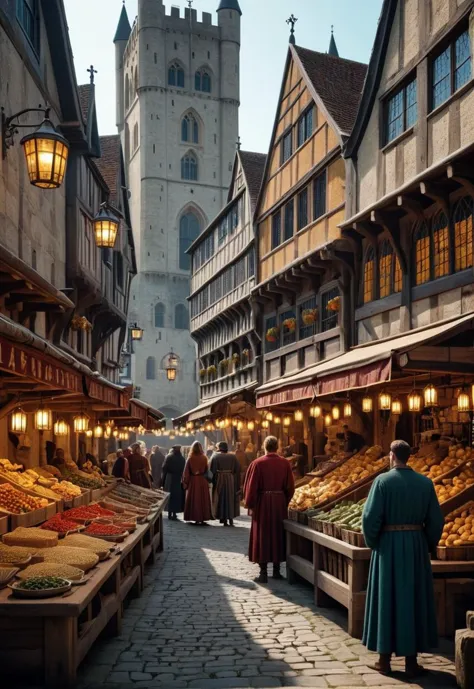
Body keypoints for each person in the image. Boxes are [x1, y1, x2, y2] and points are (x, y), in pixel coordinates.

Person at [362, 439, 444, 678]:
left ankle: (384, 660)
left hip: (388, 546)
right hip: (416, 545)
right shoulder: (425, 483)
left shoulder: (382, 482)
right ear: (409, 457)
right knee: (413, 598)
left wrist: (374, 542)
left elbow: (369, 519)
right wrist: (426, 543)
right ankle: (411, 662)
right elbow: (437, 521)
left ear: (391, 456)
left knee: (386, 598)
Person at [244, 435, 295, 583]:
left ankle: (263, 572)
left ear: (264, 447)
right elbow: (291, 487)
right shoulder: (285, 464)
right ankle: (277, 571)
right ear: (277, 447)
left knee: (263, 535)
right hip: (279, 503)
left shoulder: (257, 463)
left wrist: (250, 504)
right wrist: (284, 500)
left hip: (263, 503)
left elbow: (251, 487)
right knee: (278, 534)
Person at [182, 441, 213, 525]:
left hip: (193, 480)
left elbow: (186, 472)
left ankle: (195, 517)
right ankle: (203, 517)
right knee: (202, 498)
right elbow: (207, 470)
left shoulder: (190, 458)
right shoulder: (204, 458)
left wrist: (185, 482)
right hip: (202, 480)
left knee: (195, 499)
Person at [210, 441, 240, 526]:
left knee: (221, 498)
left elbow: (212, 470)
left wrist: (213, 481)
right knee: (230, 498)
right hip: (230, 479)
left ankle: (223, 518)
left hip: (220, 478)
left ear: (219, 448)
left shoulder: (215, 456)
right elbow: (237, 469)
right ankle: (230, 518)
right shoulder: (233, 456)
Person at [162, 445, 186, 520]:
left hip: (169, 477)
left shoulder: (169, 457)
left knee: (169, 494)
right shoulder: (182, 458)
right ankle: (175, 513)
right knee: (176, 495)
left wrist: (163, 479)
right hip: (178, 478)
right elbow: (183, 469)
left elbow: (164, 468)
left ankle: (169, 512)